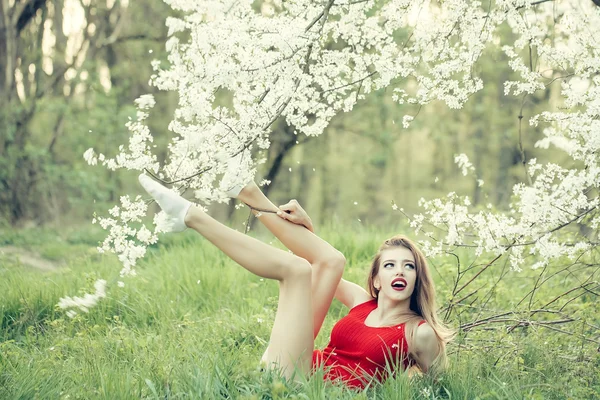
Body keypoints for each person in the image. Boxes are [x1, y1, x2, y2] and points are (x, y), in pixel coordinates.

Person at [138, 171, 453, 389]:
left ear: (417, 279)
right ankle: (248, 193)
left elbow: (443, 386)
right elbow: (323, 264)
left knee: (296, 271)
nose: (399, 271)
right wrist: (307, 228)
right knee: (333, 261)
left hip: (302, 385)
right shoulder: (362, 302)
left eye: (409, 267)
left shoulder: (418, 332)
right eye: (390, 265)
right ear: (377, 279)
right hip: (296, 367)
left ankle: (191, 216)